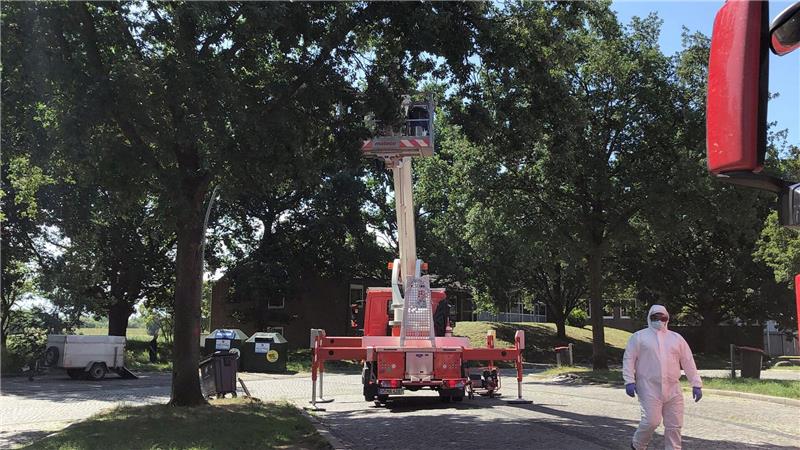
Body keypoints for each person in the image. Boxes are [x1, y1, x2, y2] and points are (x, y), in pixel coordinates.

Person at [623, 305, 702, 450]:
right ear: (649, 318)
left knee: (674, 425)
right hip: (648, 387)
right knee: (651, 421)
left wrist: (696, 383)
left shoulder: (676, 338)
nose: (659, 320)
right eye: (655, 317)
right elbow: (629, 359)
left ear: (667, 319)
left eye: (662, 317)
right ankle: (638, 445)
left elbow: (688, 361)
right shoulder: (639, 337)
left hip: (673, 388)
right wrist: (629, 380)